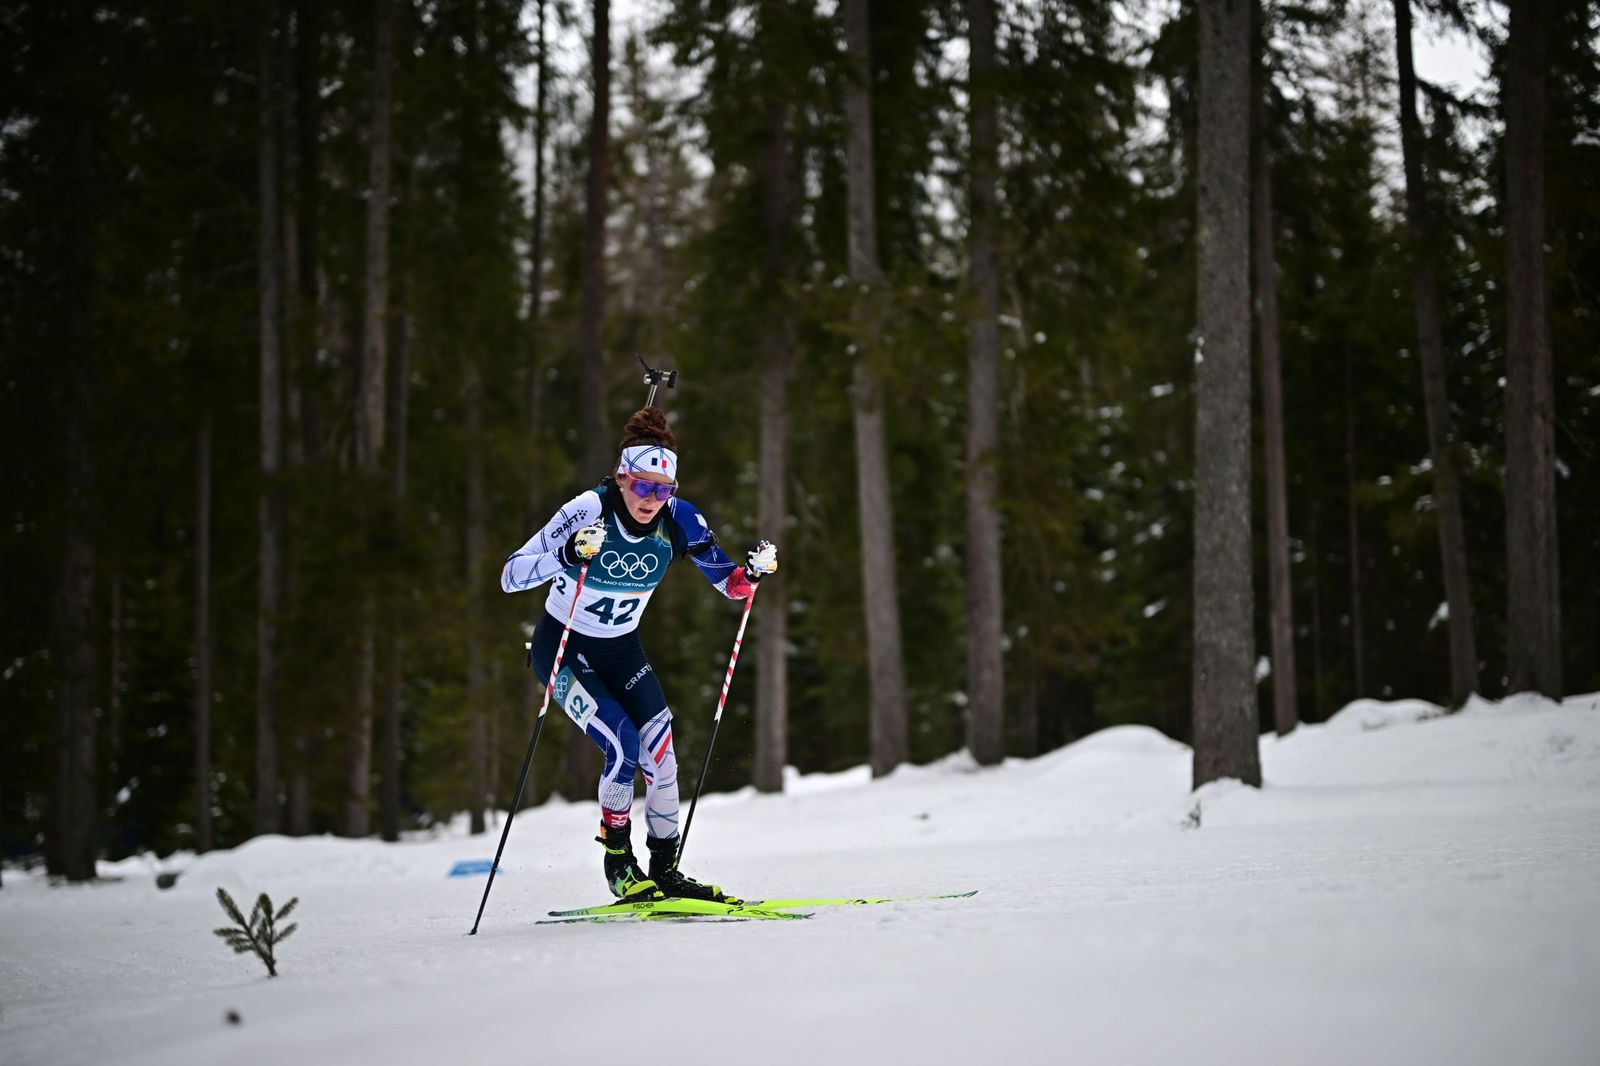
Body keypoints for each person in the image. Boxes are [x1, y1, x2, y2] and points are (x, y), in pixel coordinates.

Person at [500, 406, 778, 902]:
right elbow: (511, 574)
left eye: (663, 489)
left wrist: (751, 575)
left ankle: (666, 869)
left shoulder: (681, 519)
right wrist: (564, 556)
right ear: (622, 478)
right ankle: (620, 865)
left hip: (622, 649)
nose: (652, 499)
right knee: (622, 744)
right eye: (643, 486)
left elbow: (730, 584)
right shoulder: (587, 509)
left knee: (662, 755)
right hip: (562, 646)